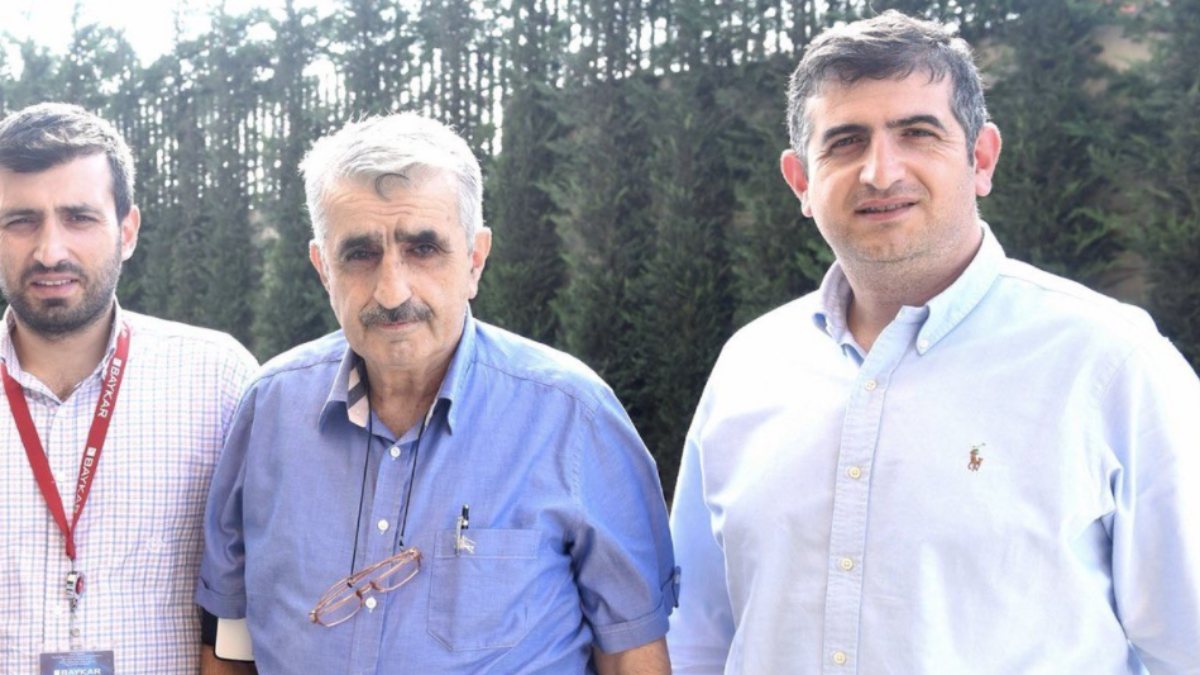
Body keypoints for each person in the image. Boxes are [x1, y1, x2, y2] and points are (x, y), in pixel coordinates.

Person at [667, 10, 1200, 674]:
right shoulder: (750, 367)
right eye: (845, 142)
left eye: (917, 133)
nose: (880, 171)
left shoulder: (1111, 363)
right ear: (801, 182)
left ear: (981, 159)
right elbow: (697, 637)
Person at [196, 112, 678, 674]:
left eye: (423, 248)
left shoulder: (573, 417)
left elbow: (631, 654)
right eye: (360, 254)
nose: (392, 290)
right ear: (323, 267)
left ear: (475, 258)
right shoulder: (269, 412)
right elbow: (229, 641)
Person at [0, 102, 257, 673]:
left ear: (128, 230)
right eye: (21, 221)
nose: (50, 251)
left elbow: (257, 577)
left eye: (79, 217)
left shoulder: (217, 380)